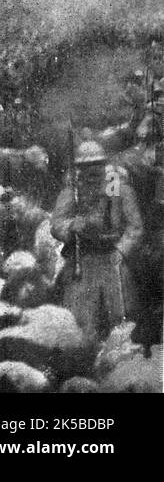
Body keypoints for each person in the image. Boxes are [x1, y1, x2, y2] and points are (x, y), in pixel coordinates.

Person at [51, 137, 143, 338]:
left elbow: (135, 227)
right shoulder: (72, 191)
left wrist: (121, 250)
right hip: (82, 258)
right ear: (79, 168)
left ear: (103, 164)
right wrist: (72, 226)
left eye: (96, 164)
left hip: (112, 256)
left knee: (121, 313)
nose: (92, 170)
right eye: (86, 165)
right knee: (79, 317)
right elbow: (56, 224)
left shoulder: (119, 188)